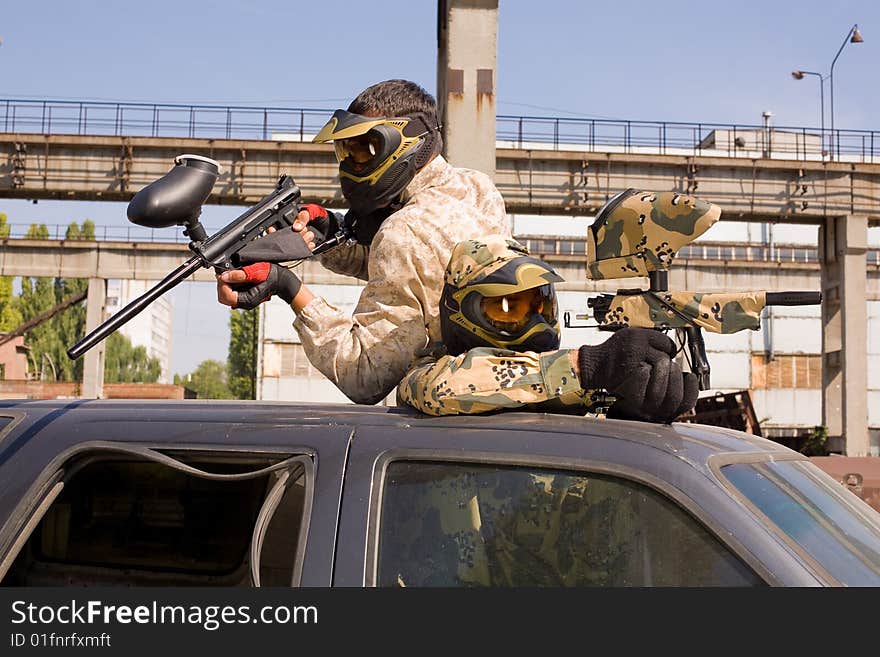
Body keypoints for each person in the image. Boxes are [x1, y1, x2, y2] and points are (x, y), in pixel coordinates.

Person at [216, 79, 511, 404]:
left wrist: (288, 286)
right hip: (497, 398)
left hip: (442, 429)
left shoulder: (403, 231)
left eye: (364, 151)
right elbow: (424, 274)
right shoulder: (477, 188)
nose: (350, 165)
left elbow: (365, 372)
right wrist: (329, 234)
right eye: (346, 151)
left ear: (405, 141)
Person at [397, 235, 699, 423]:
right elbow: (439, 390)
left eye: (540, 306)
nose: (534, 325)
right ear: (461, 310)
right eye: (509, 308)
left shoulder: (552, 385)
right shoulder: (428, 375)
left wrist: (632, 406)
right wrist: (588, 365)